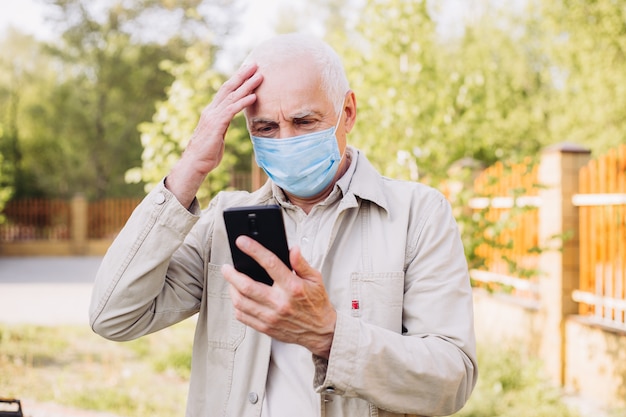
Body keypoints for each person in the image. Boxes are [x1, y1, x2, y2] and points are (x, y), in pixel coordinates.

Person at [89, 33, 477, 417]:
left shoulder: (417, 214)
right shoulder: (224, 224)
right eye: (266, 129)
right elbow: (114, 315)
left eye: (304, 121)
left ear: (349, 112)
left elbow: (451, 381)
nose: (286, 139)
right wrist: (191, 167)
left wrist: (329, 335)